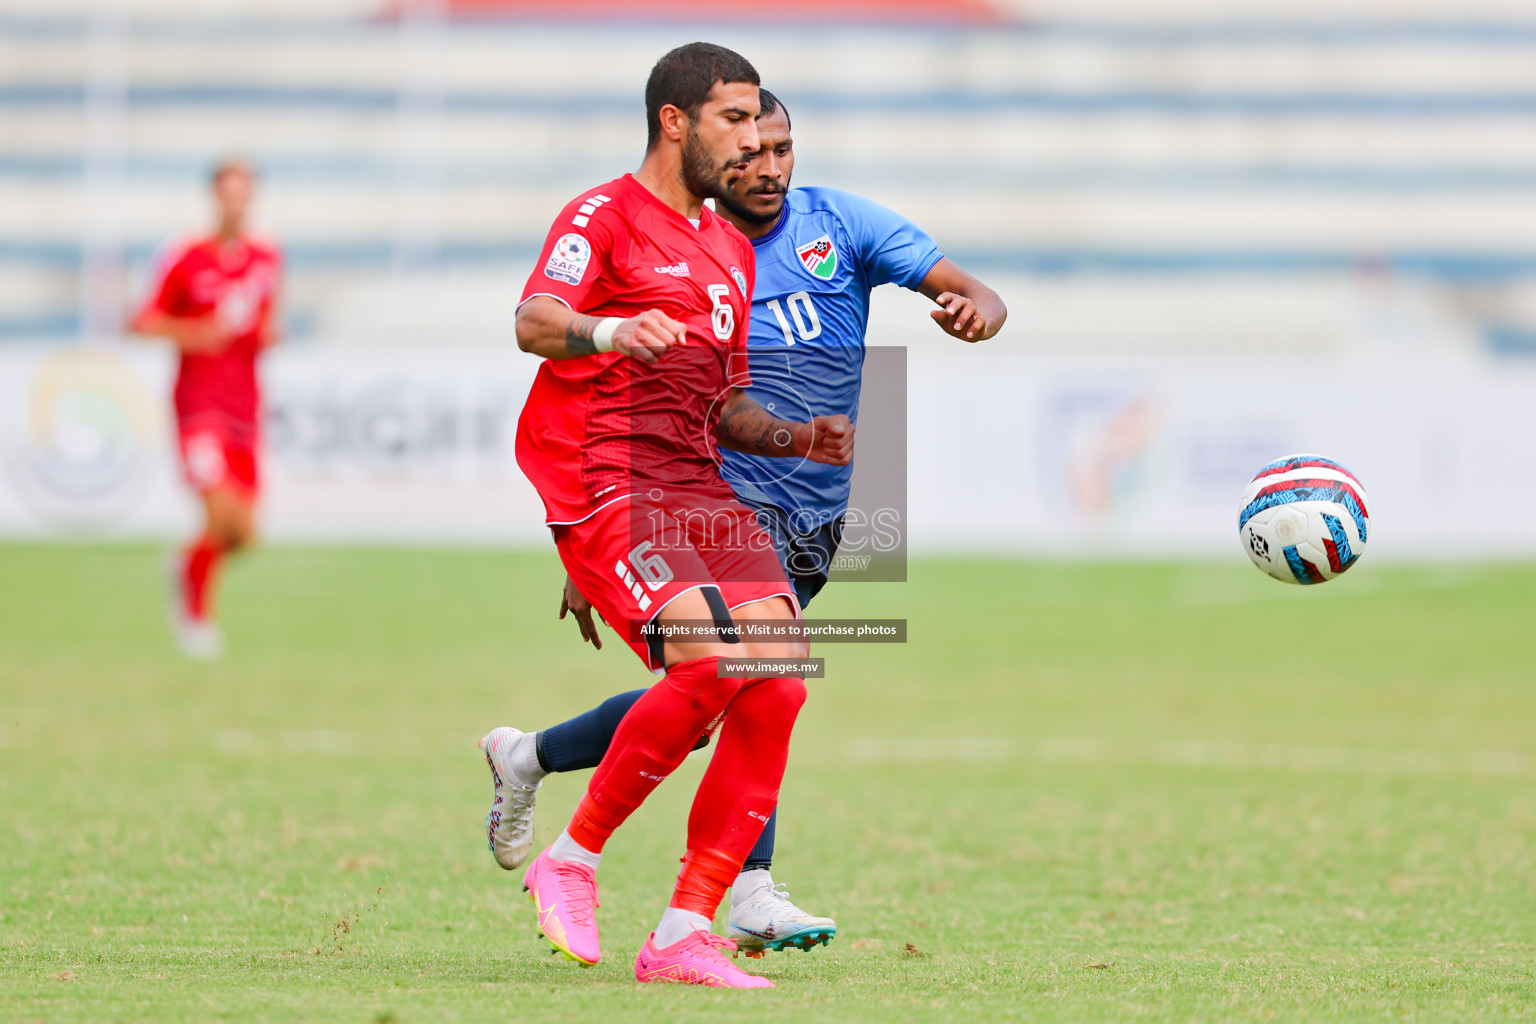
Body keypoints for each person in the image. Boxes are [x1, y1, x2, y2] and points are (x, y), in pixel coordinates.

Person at [481, 88, 1007, 955]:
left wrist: (976, 310)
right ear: (698, 146)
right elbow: (585, 365)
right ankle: (728, 888)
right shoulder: (652, 231)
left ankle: (532, 759)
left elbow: (966, 287)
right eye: (745, 145)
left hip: (810, 510)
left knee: (739, 688)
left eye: (780, 147)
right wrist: (588, 545)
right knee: (731, 675)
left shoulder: (826, 229)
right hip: (700, 496)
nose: (763, 164)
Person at [484, 43, 855, 989]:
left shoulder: (731, 247)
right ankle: (572, 861)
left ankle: (686, 930)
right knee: (703, 658)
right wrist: (610, 329)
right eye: (734, 122)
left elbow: (724, 405)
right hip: (609, 476)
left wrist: (793, 436)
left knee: (777, 681)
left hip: (699, 485)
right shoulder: (601, 215)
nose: (751, 143)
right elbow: (533, 319)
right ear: (675, 122)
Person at [129, 158, 282, 659]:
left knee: (245, 533)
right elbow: (143, 320)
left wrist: (266, 335)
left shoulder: (265, 257)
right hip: (199, 407)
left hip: (245, 405)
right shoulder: (185, 255)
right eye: (227, 194)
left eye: (244, 194)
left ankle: (186, 563)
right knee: (219, 514)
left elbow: (265, 322)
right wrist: (195, 333)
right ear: (214, 198)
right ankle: (196, 615)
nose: (235, 204)